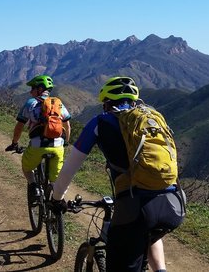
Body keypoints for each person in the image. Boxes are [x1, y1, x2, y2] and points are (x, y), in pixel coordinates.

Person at [51, 76, 185, 272]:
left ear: (106, 103)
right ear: (134, 101)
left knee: (127, 245)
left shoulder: (100, 123)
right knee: (149, 234)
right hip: (174, 204)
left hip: (135, 207)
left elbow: (69, 169)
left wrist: (57, 198)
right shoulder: (153, 117)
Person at [5, 74, 72, 201]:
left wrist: (14, 143)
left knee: (27, 168)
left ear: (40, 89)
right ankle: (56, 205)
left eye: (33, 89)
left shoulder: (31, 103)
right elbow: (67, 125)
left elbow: (19, 126)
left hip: (37, 146)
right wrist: (66, 143)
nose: (30, 92)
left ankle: (34, 186)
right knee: (55, 179)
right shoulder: (58, 103)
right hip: (58, 146)